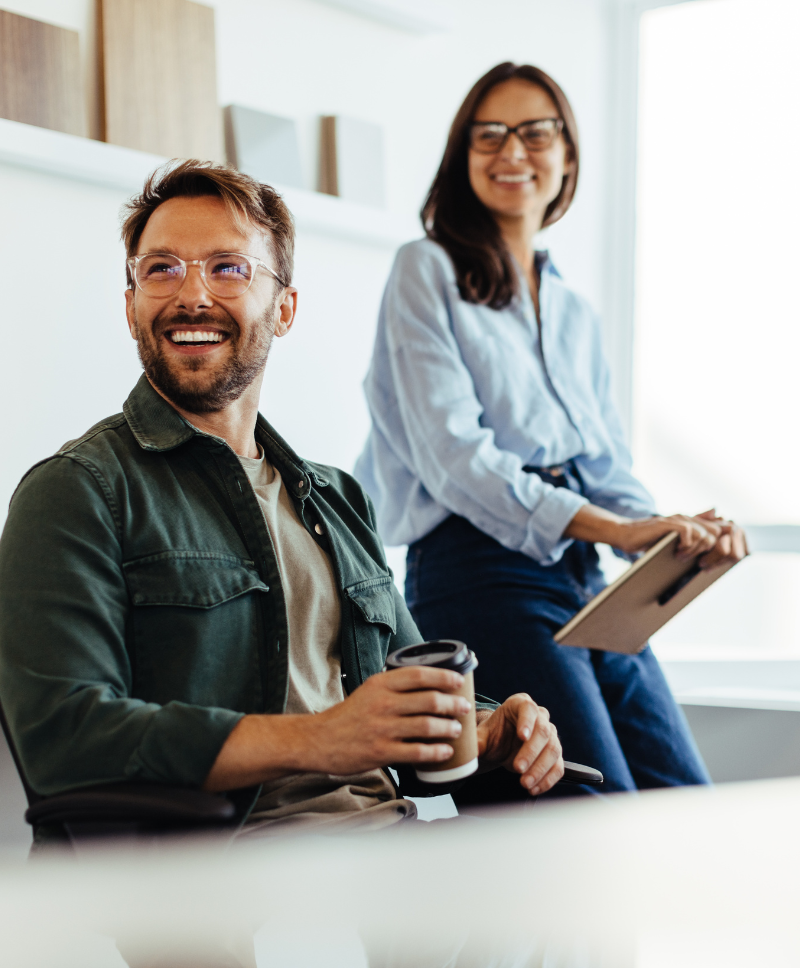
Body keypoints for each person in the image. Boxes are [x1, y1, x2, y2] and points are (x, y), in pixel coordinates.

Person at [0, 160, 565, 849]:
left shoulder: (336, 497)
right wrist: (320, 739)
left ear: (285, 309)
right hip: (236, 877)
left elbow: (413, 698)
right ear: (130, 308)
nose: (192, 295)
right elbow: (65, 737)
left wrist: (492, 727)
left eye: (229, 268)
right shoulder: (78, 491)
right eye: (161, 269)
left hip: (395, 851)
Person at [355, 62, 747, 797]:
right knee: (591, 814)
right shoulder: (425, 270)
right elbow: (456, 461)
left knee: (684, 797)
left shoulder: (572, 307)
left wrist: (672, 531)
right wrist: (618, 530)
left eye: (536, 132)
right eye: (490, 133)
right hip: (480, 575)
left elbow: (602, 461)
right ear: (461, 152)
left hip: (581, 574)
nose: (512, 152)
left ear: (567, 154)